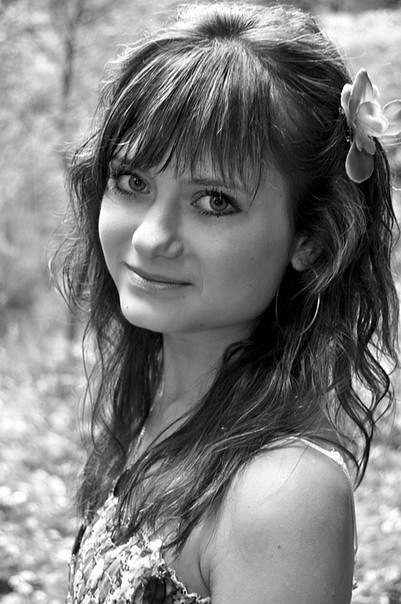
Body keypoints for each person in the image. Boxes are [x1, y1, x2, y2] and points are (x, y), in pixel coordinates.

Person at [54, 3, 401, 603]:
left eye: (214, 201)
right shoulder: (162, 412)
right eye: (133, 181)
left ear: (312, 239)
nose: (150, 238)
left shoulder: (282, 493)